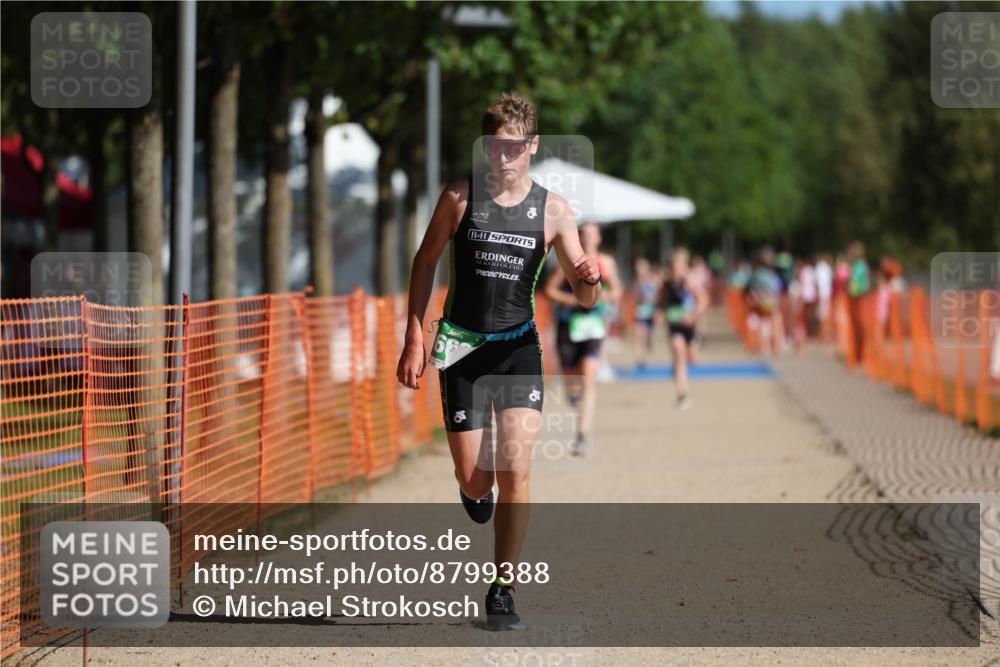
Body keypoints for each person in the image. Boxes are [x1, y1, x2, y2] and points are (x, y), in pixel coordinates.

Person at [396, 92, 601, 629]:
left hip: (517, 350)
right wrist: (414, 336)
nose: (502, 157)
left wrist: (590, 280)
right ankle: (472, 489)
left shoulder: (554, 211)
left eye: (512, 147)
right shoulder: (459, 198)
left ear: (532, 145)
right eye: (493, 146)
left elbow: (585, 297)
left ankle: (503, 587)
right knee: (474, 480)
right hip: (461, 348)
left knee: (517, 468)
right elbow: (424, 262)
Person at [543, 222, 622, 456]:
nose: (588, 239)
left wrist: (601, 296)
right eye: (584, 235)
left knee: (588, 378)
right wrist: (574, 300)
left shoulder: (606, 262)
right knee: (571, 380)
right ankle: (573, 397)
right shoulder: (570, 260)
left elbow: (617, 291)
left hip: (593, 325)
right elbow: (550, 289)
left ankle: (582, 435)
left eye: (592, 235)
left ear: (598, 238)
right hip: (569, 325)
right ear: (578, 237)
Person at [659, 248, 708, 409]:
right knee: (678, 352)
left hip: (689, 325)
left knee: (692, 358)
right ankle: (682, 393)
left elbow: (703, 299)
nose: (677, 270)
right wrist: (661, 312)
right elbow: (661, 300)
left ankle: (696, 343)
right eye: (674, 267)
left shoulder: (689, 282)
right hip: (675, 325)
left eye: (680, 267)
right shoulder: (666, 283)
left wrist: (693, 315)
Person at [744, 247, 785, 355]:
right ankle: (775, 346)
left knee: (763, 324)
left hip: (760, 301)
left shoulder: (755, 274)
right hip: (769, 302)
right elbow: (776, 289)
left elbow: (749, 289)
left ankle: (763, 346)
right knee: (774, 322)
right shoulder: (770, 275)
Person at [630, 257, 661, 369]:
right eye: (637, 267)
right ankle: (639, 359)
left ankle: (647, 349)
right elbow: (634, 296)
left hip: (651, 310)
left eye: (641, 267)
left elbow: (659, 293)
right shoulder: (636, 281)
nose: (639, 269)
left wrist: (657, 308)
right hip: (641, 310)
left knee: (648, 336)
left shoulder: (654, 279)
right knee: (638, 335)